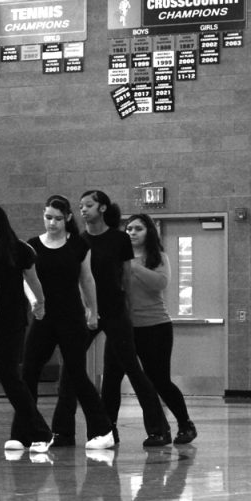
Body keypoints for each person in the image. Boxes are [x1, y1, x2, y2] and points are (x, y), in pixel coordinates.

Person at [22, 195, 116, 450]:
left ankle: (103, 430)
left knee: (76, 373)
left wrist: (93, 311)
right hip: (43, 316)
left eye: (57, 219)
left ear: (68, 219)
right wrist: (34, 302)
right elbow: (27, 280)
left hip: (71, 317)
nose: (52, 223)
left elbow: (87, 280)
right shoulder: (32, 246)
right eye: (48, 217)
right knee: (29, 369)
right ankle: (27, 430)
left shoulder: (78, 246)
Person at [80, 190, 171, 447]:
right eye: (80, 206)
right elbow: (80, 279)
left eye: (89, 205)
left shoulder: (118, 240)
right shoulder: (80, 240)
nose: (83, 210)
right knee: (84, 372)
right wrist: (87, 308)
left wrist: (127, 311)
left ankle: (159, 429)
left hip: (117, 311)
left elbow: (126, 279)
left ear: (103, 208)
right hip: (90, 310)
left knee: (134, 371)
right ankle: (102, 430)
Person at [0, 203, 56, 454]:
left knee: (9, 377)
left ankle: (41, 431)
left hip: (10, 320)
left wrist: (40, 303)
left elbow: (33, 281)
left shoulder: (19, 250)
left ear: (1, 229)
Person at [107, 214, 196, 444]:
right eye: (129, 229)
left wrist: (132, 266)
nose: (132, 232)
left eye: (138, 228)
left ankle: (185, 424)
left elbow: (160, 283)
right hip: (122, 327)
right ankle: (109, 429)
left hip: (155, 326)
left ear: (149, 232)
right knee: (111, 379)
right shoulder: (115, 258)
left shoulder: (158, 257)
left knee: (159, 380)